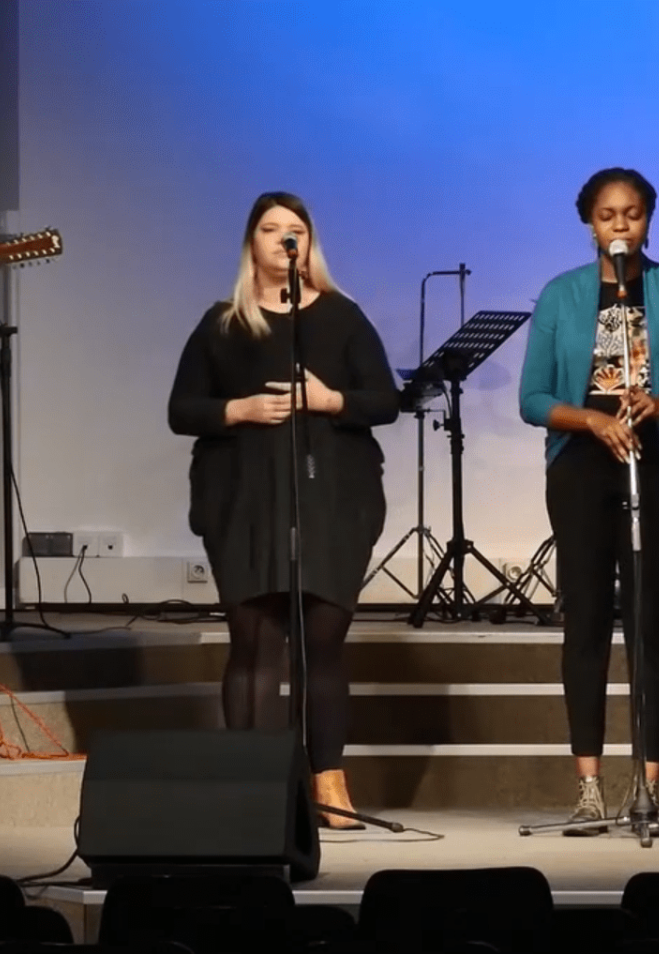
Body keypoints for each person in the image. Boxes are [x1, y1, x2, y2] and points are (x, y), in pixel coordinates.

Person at [168, 191, 400, 828]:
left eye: (294, 230)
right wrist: (235, 410)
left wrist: (328, 400)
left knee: (321, 647)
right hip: (242, 500)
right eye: (270, 230)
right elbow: (180, 410)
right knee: (254, 643)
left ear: (309, 243)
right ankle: (251, 783)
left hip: (332, 500)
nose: (282, 240)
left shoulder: (341, 317)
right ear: (251, 243)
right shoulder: (223, 322)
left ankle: (327, 782)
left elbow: (385, 400)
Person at [517, 168, 659, 834]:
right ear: (590, 225)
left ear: (648, 220)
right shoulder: (562, 296)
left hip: (654, 463)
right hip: (580, 466)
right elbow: (534, 400)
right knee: (586, 623)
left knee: (647, 621)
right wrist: (592, 420)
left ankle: (648, 784)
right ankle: (588, 786)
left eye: (632, 214)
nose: (620, 226)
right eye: (607, 216)